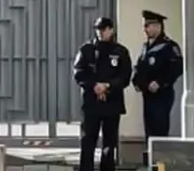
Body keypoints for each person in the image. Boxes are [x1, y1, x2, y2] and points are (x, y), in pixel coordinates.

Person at [73, 17, 132, 171]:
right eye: (98, 29)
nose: (101, 32)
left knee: (109, 143)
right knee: (88, 140)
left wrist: (107, 86)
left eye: (104, 29)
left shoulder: (120, 51)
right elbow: (79, 72)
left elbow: (125, 76)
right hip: (91, 103)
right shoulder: (86, 50)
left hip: (112, 103)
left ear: (111, 30)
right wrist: (95, 86)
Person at [132, 10, 183, 146]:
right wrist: (136, 81)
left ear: (158, 26)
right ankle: (150, 157)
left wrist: (160, 82)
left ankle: (160, 160)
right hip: (147, 94)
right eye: (145, 26)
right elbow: (140, 67)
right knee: (149, 130)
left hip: (162, 95)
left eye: (148, 26)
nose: (145, 30)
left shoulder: (169, 46)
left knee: (160, 130)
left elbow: (176, 68)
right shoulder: (146, 46)